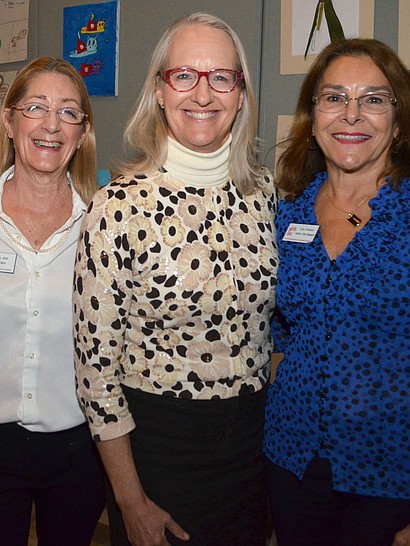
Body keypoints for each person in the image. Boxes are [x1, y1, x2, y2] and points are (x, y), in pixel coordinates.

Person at [265, 39, 410, 546]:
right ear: (312, 114)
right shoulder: (288, 214)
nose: (351, 114)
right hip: (291, 464)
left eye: (373, 98)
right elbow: (281, 334)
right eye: (333, 97)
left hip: (394, 479)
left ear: (399, 117)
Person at [74, 12, 277, 546]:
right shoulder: (117, 207)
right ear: (160, 91)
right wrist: (128, 498)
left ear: (241, 93)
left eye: (221, 77)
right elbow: (95, 370)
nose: (203, 93)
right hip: (157, 452)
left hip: (252, 447)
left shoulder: (265, 196)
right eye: (184, 75)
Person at [0, 56, 104, 546]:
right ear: (10, 122)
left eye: (68, 112)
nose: (51, 124)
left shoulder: (105, 221)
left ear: (82, 132)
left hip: (79, 447)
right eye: (36, 107)